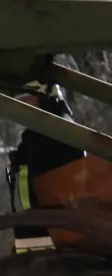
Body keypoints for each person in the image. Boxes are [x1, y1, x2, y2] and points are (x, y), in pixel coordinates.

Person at [8, 80, 86, 253]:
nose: (24, 106)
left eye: (28, 99)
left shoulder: (62, 133)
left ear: (45, 98)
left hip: (56, 230)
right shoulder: (35, 136)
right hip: (38, 225)